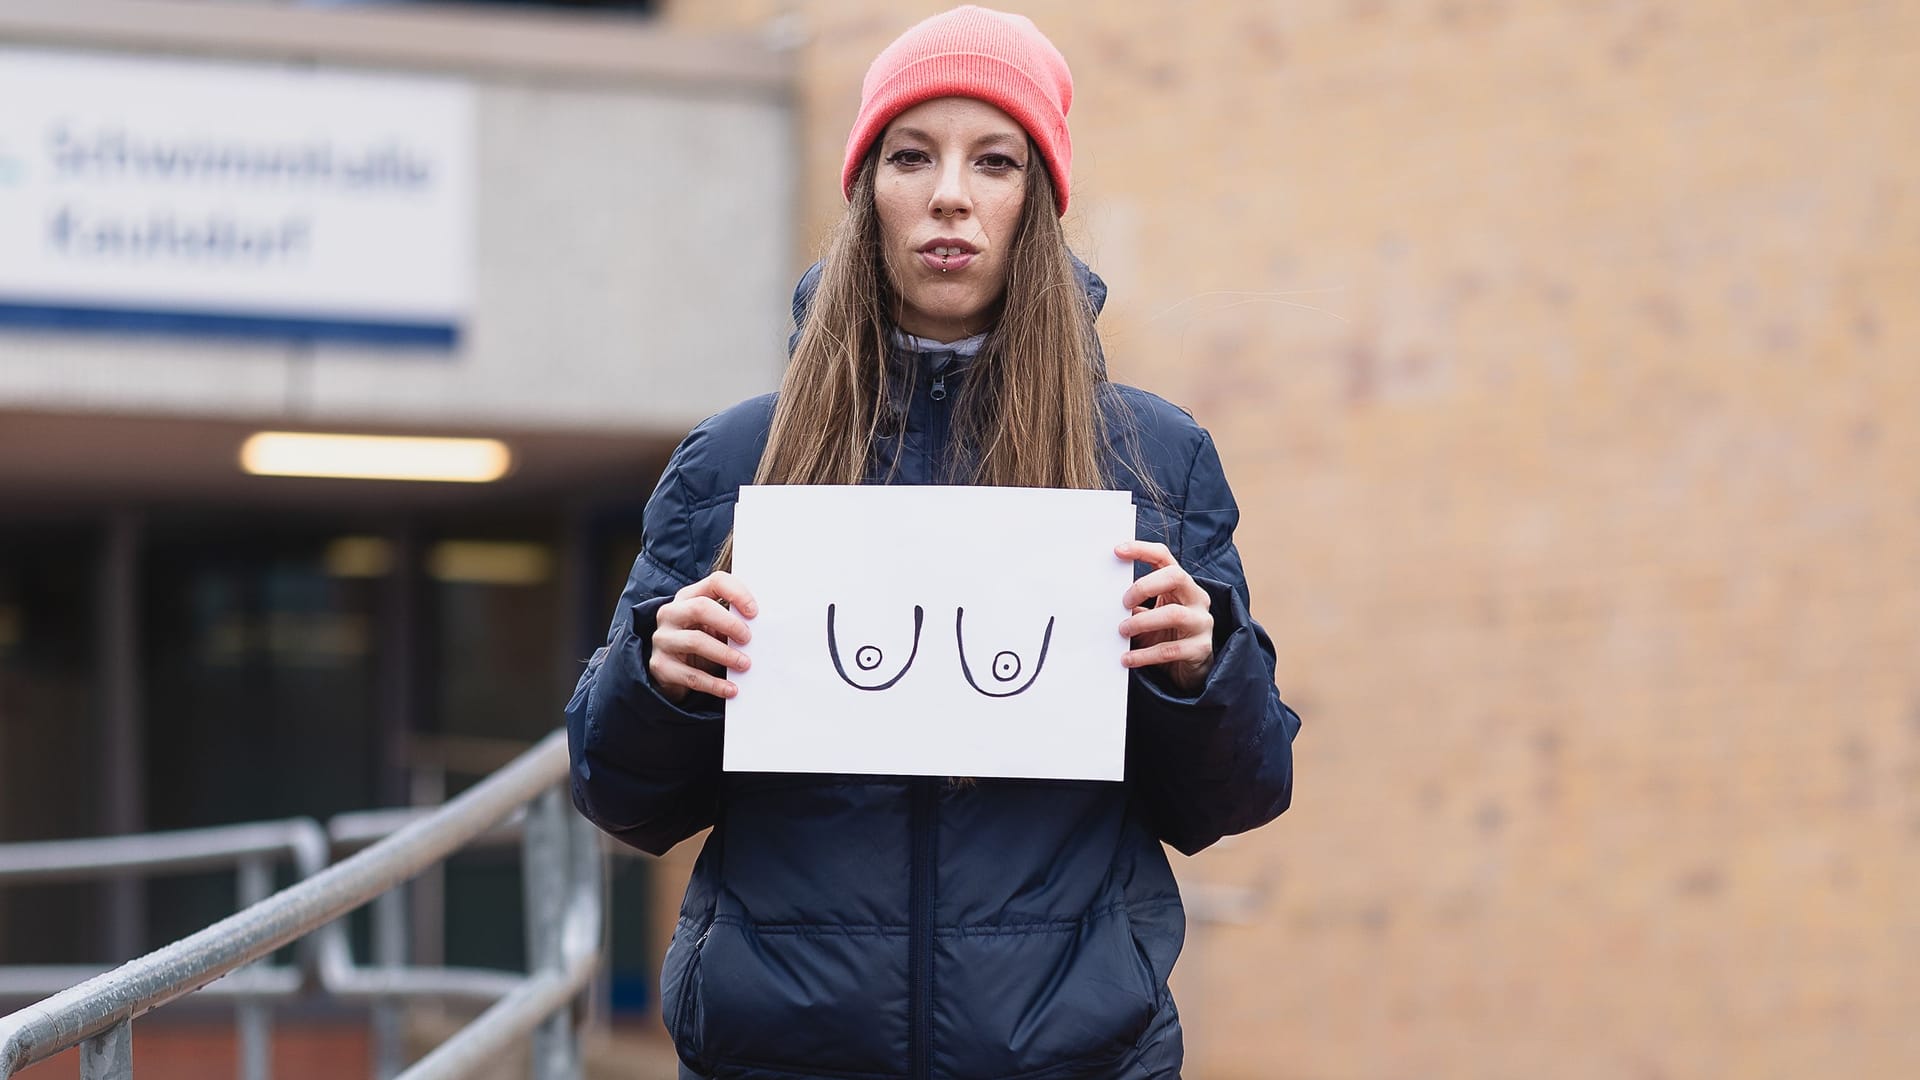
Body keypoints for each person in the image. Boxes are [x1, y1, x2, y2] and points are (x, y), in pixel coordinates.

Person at [566, 7, 1301, 1077]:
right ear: (869, 195)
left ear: (1036, 204)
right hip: (782, 1053)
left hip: (1073, 1055)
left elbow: (1237, 796)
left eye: (993, 160)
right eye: (912, 156)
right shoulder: (736, 459)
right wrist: (658, 678)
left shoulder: (1152, 460)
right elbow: (622, 795)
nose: (949, 192)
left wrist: (1203, 667)